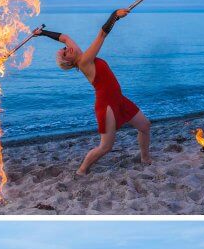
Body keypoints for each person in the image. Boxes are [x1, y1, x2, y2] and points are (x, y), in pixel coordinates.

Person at [53, 9, 152, 176]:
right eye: (65, 53)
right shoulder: (84, 61)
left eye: (65, 48)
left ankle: (145, 158)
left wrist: (41, 33)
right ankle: (82, 170)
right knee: (106, 147)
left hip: (119, 99)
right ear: (69, 63)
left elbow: (64, 37)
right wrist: (114, 15)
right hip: (106, 104)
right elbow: (101, 36)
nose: (66, 49)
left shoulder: (80, 55)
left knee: (145, 126)